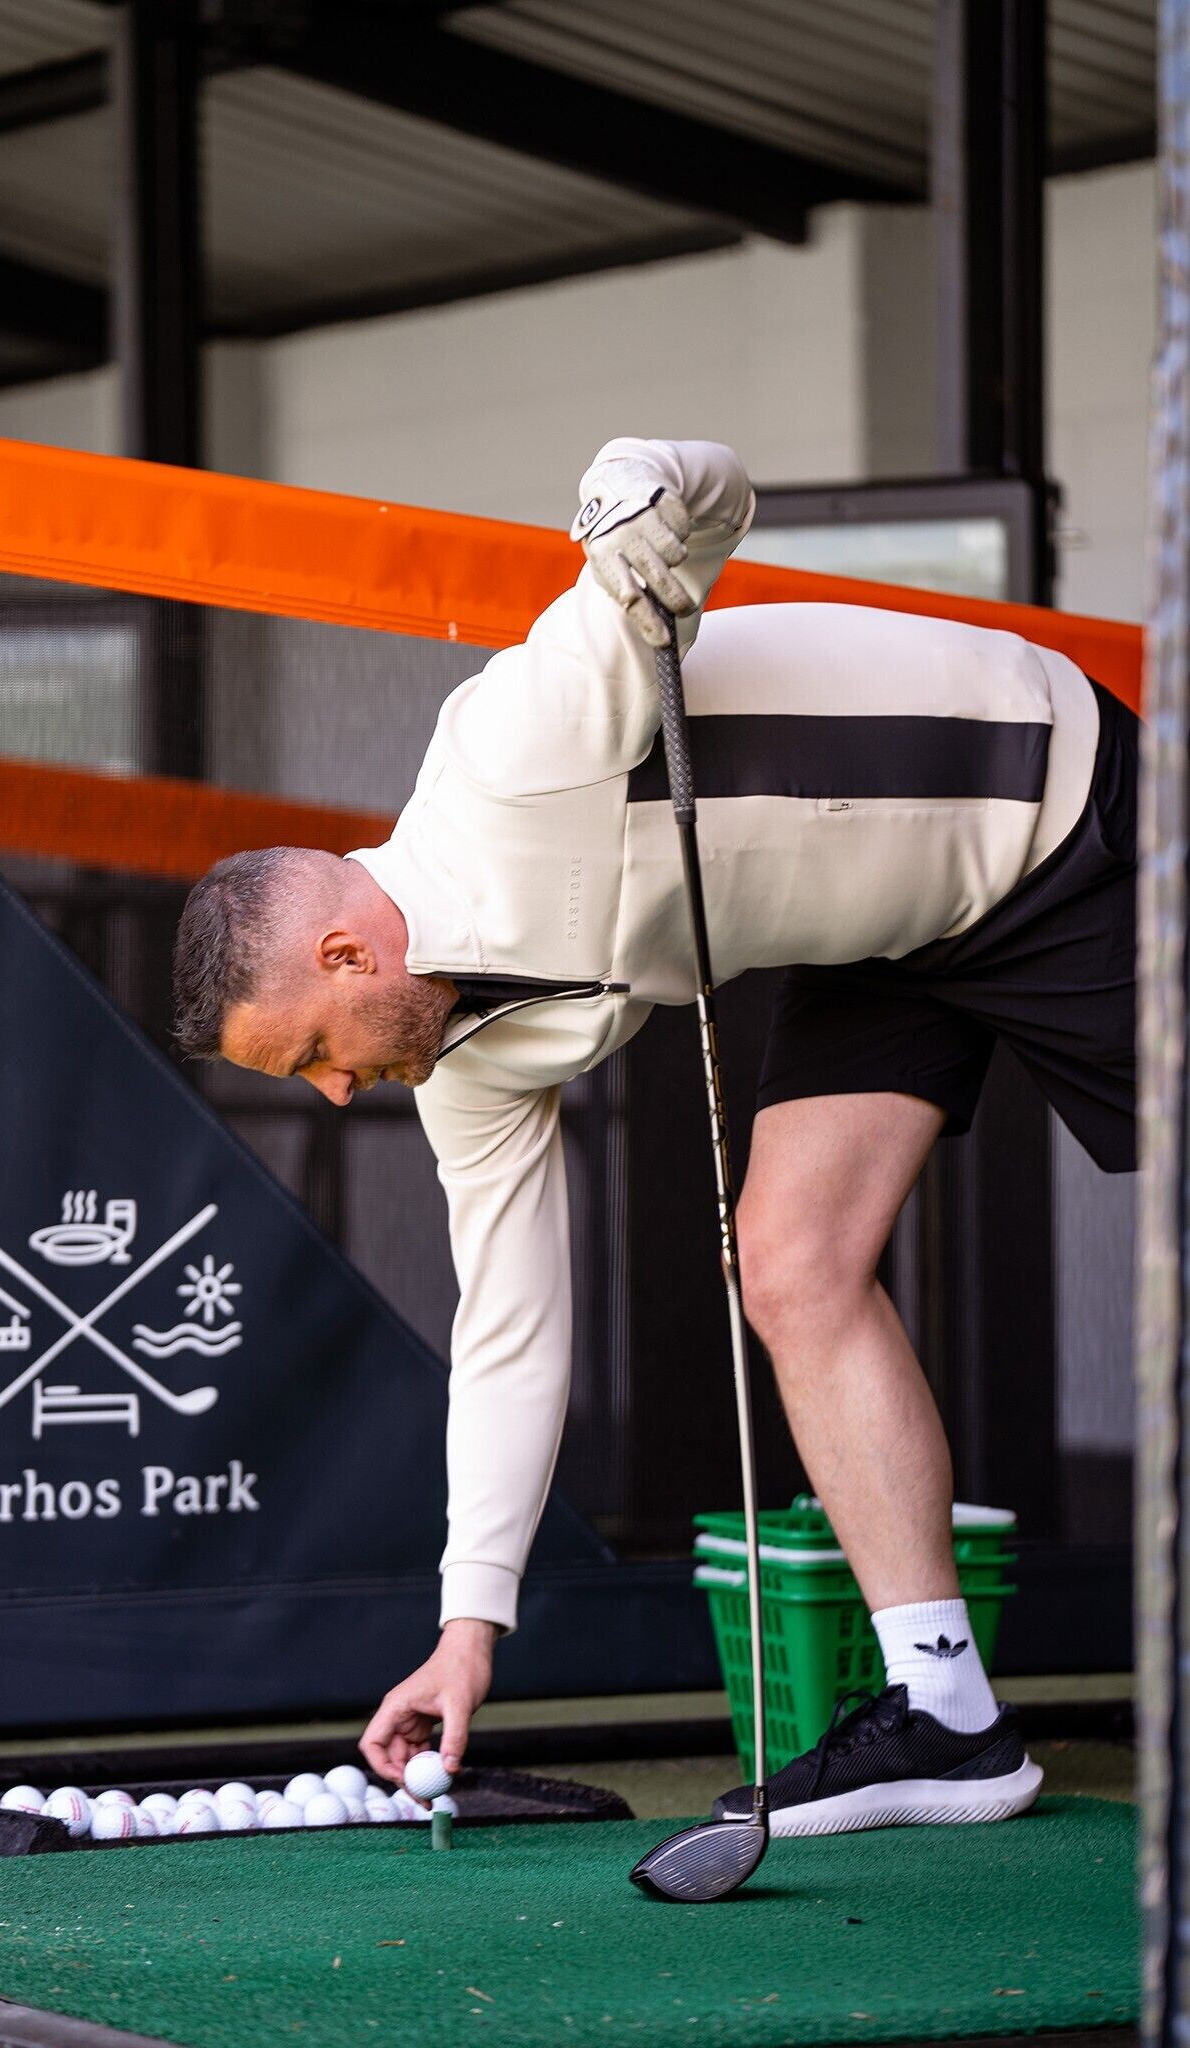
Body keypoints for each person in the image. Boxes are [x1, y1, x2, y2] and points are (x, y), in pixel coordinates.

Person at [172, 437, 1134, 1837]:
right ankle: (948, 1715)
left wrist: (637, 487)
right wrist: (468, 1627)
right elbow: (508, 1332)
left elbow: (700, 494)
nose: (328, 1092)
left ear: (343, 954)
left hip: (1048, 809)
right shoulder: (460, 1066)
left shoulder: (507, 758)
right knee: (791, 1264)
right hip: (874, 940)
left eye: (313, 1052)